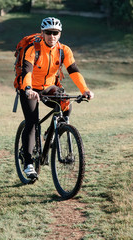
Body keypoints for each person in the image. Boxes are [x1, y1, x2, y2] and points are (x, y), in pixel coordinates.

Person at [19, 17, 95, 179]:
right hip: (30, 89)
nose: (52, 36)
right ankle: (28, 164)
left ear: (60, 34)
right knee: (32, 122)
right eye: (48, 32)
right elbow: (27, 71)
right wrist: (27, 89)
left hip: (48, 87)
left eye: (55, 33)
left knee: (66, 103)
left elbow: (73, 70)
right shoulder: (33, 49)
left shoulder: (63, 50)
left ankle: (51, 133)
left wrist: (85, 90)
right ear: (42, 33)